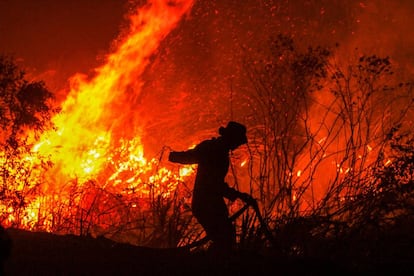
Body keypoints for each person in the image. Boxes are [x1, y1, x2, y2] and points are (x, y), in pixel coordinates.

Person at [168, 121, 254, 255]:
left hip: (210, 203)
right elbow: (214, 183)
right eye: (237, 141)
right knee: (224, 239)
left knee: (225, 238)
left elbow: (215, 182)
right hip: (207, 204)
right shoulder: (214, 150)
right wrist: (238, 195)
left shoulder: (215, 149)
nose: (238, 145)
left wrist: (238, 195)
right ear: (231, 139)